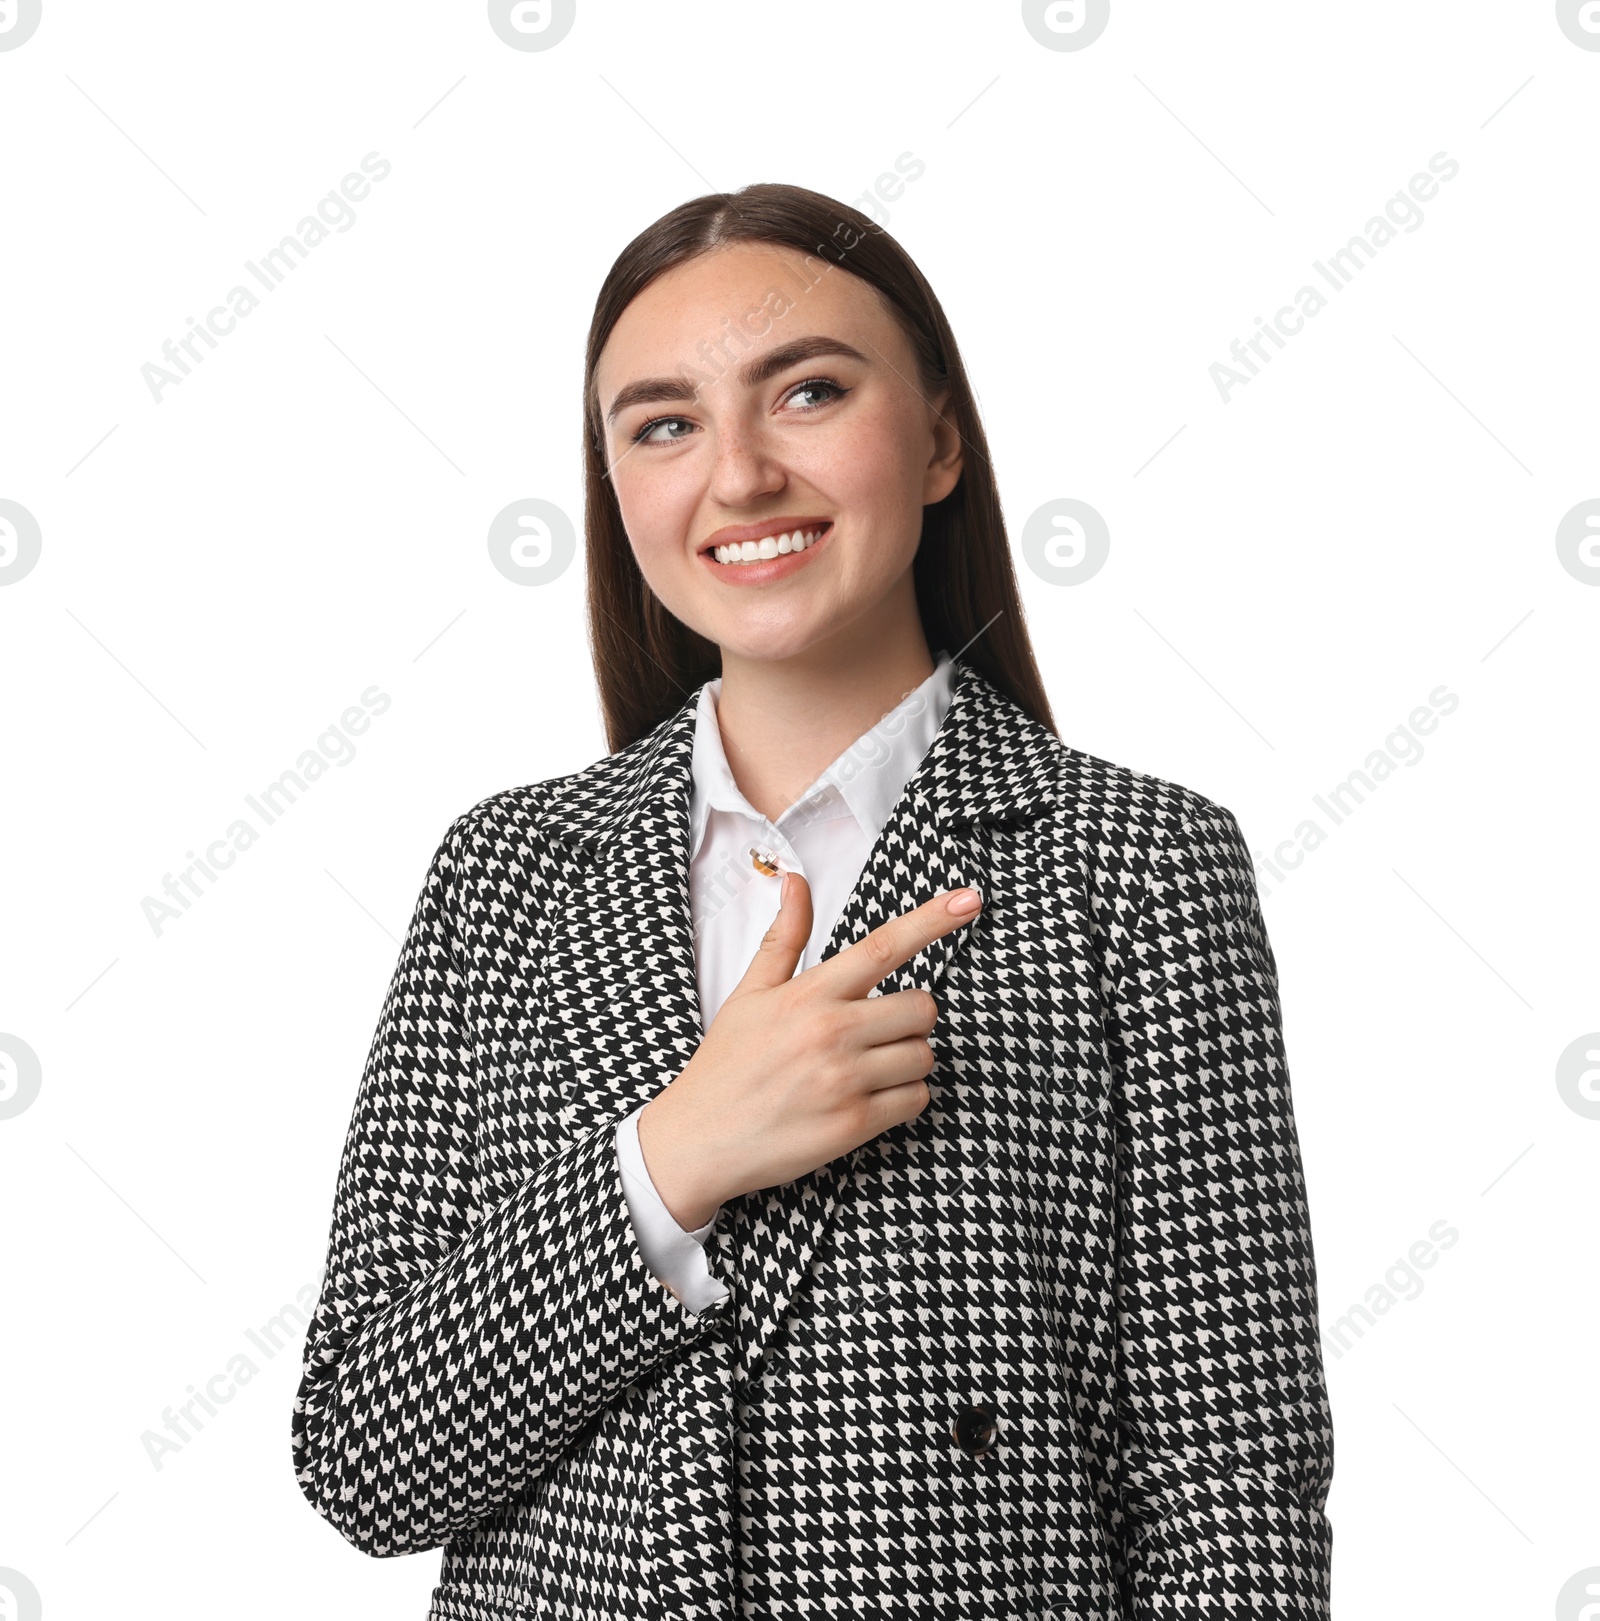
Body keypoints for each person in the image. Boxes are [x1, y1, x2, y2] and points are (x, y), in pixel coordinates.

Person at [292, 182, 1334, 1620]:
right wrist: (667, 1162)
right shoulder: (507, 875)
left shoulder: (1137, 868)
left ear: (940, 440)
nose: (737, 474)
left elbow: (1231, 1489)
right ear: (616, 490)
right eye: (664, 423)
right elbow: (363, 1457)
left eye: (809, 392)